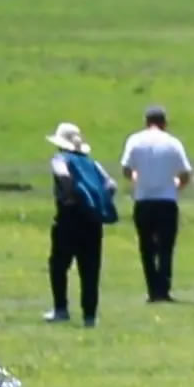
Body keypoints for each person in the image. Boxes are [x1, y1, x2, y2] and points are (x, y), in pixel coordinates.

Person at [43, 122, 118, 328]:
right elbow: (111, 185)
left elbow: (63, 175)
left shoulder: (60, 159)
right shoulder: (92, 163)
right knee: (90, 268)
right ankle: (90, 315)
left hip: (69, 218)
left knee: (59, 265)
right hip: (92, 221)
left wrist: (69, 196)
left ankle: (61, 309)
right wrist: (98, 202)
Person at [119, 105, 193, 303]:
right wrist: (177, 185)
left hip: (143, 200)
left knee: (146, 247)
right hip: (167, 201)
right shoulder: (173, 143)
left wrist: (136, 178)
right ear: (164, 123)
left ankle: (152, 289)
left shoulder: (135, 140)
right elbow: (185, 173)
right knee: (166, 247)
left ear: (146, 121)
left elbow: (126, 168)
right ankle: (164, 289)